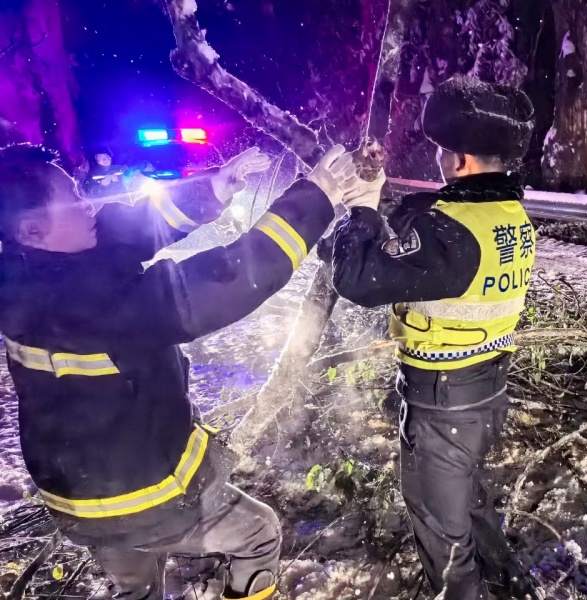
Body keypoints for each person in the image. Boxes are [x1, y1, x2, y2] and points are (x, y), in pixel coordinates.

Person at [0, 142, 363, 599]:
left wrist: (212, 189)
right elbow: (225, 281)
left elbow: (122, 232)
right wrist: (316, 199)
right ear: (32, 229)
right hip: (140, 497)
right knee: (259, 535)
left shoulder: (25, 273)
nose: (87, 200)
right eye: (71, 196)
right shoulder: (85, 305)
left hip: (74, 500)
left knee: (136, 585)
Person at [331, 76, 538, 600]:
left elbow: (357, 280)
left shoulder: (449, 234)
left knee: (443, 536)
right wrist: (382, 206)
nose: (439, 160)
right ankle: (512, 588)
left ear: (461, 161)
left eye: (444, 152)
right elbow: (420, 239)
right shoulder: (508, 215)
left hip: (443, 401)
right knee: (469, 504)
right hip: (485, 392)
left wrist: (358, 208)